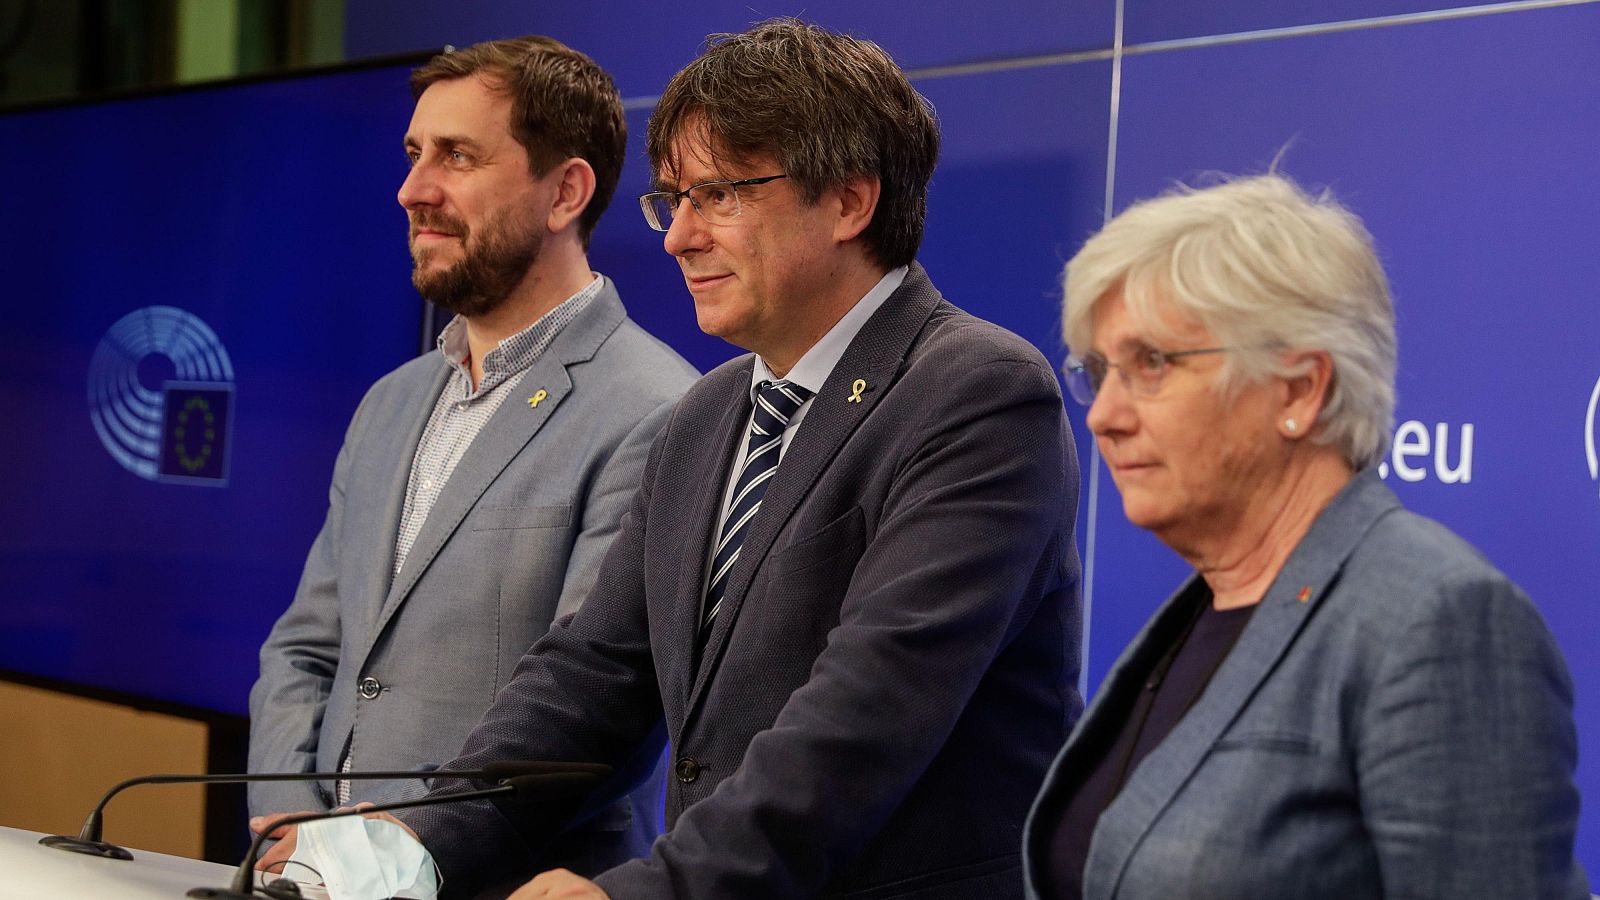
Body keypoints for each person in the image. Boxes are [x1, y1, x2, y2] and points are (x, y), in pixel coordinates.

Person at [260, 18, 1082, 899]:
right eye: (673, 200)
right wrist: (410, 843)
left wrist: (643, 892)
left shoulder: (976, 390)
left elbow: (866, 715)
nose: (677, 237)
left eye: (719, 195)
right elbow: (591, 678)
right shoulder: (711, 409)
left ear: (849, 200)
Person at [1021, 173, 1588, 899]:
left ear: (1298, 390)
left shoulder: (1437, 621)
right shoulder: (1205, 611)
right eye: (1098, 372)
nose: (1103, 415)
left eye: (1152, 364)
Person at [247, 35, 698, 874]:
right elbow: (306, 648)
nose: (412, 189)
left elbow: (596, 713)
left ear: (566, 190)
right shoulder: (391, 402)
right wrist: (294, 826)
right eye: (416, 154)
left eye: (456, 156)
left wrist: (385, 855)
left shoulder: (660, 411)